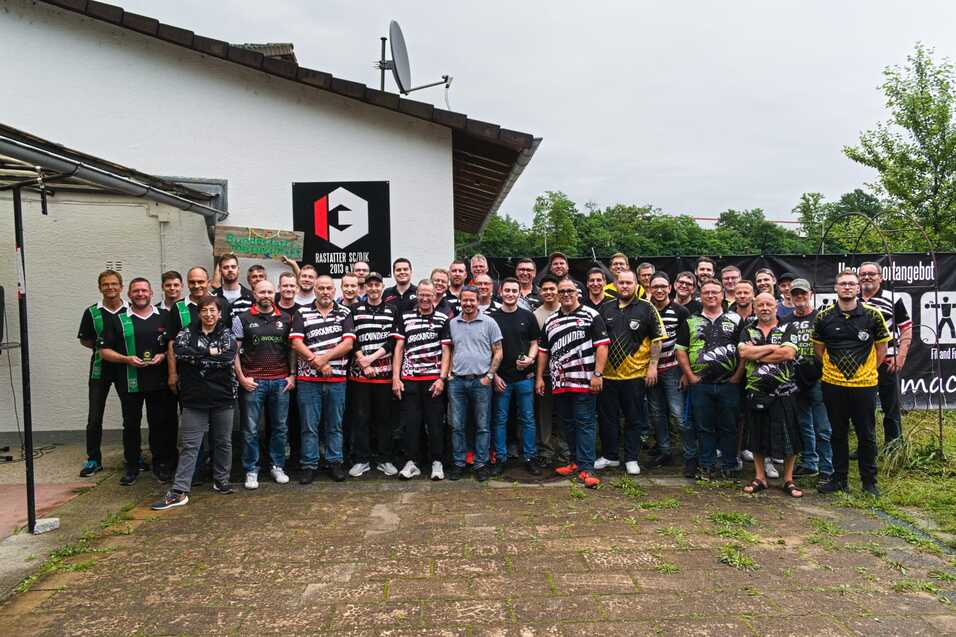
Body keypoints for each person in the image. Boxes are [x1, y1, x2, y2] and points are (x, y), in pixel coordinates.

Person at [151, 295, 238, 510]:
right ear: (198, 313)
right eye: (205, 310)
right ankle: (180, 491)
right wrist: (210, 353)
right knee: (190, 444)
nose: (209, 314)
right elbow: (180, 353)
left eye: (213, 310)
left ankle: (221, 481)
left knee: (223, 442)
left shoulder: (227, 334)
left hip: (223, 395)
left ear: (219, 314)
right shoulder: (186, 332)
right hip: (193, 397)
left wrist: (198, 356)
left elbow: (227, 358)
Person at [813, 270, 890, 497]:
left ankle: (869, 483)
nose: (847, 287)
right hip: (832, 385)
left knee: (866, 434)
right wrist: (833, 371)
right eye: (843, 284)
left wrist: (868, 371)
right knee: (837, 433)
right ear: (835, 288)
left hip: (864, 386)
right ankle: (839, 479)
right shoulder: (823, 317)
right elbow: (819, 350)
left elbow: (882, 347)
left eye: (851, 284)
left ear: (858, 289)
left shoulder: (873, 315)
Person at [99, 277, 176, 485]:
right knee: (131, 424)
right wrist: (126, 359)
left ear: (151, 293)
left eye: (144, 290)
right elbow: (104, 351)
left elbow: (173, 344)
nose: (140, 294)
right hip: (129, 381)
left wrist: (162, 356)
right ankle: (132, 465)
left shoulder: (165, 316)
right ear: (129, 294)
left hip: (159, 382)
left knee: (159, 424)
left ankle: (161, 465)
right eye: (136, 291)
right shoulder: (118, 320)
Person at [536, 278, 610, 488]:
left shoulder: (591, 315)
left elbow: (602, 346)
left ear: (578, 293)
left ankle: (588, 468)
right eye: (562, 291)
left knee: (585, 423)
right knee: (567, 424)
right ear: (557, 295)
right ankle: (575, 462)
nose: (566, 294)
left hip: (585, 382)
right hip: (560, 384)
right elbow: (543, 351)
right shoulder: (551, 321)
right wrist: (540, 377)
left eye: (570, 291)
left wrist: (598, 373)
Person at [596, 270, 665, 476]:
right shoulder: (605, 307)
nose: (624, 286)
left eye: (629, 282)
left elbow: (657, 339)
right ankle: (610, 456)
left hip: (634, 375)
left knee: (634, 419)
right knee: (608, 418)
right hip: (608, 376)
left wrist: (653, 366)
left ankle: (632, 458)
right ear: (615, 285)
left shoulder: (647, 308)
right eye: (621, 282)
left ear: (636, 285)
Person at [675, 279, 745, 479]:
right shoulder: (690, 320)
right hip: (701, 384)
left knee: (729, 426)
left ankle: (729, 465)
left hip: (728, 384)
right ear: (700, 296)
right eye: (706, 292)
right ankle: (706, 465)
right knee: (703, 427)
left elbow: (744, 350)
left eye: (715, 292)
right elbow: (681, 351)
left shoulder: (736, 319)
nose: (711, 296)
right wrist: (690, 376)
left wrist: (737, 377)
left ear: (723, 295)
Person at [290, 275, 355, 484]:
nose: (325, 292)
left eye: (329, 288)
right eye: (321, 288)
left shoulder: (344, 313)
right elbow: (296, 343)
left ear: (334, 291)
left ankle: (334, 462)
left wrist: (323, 360)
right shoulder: (302, 312)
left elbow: (348, 344)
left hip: (336, 380)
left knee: (334, 424)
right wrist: (316, 362)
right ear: (315, 290)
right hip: (308, 381)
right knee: (309, 425)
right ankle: (309, 465)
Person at [738, 293, 803, 497]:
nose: (764, 308)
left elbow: (788, 354)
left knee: (789, 436)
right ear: (754, 308)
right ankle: (760, 477)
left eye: (768, 304)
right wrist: (774, 348)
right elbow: (743, 354)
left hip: (784, 392)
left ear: (776, 306)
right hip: (756, 391)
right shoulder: (747, 329)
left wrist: (757, 352)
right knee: (756, 436)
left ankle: (788, 480)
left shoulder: (788, 327)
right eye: (760, 305)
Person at [233, 280, 294, 490]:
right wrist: (241, 378)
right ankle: (251, 469)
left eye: (269, 291)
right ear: (254, 294)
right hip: (253, 382)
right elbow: (234, 351)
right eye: (262, 292)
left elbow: (292, 349)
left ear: (274, 293)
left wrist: (292, 376)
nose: (266, 295)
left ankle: (277, 465)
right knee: (250, 429)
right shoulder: (242, 319)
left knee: (280, 427)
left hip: (280, 381)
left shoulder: (286, 318)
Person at [392, 280, 452, 479]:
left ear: (435, 295)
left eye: (429, 295)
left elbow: (446, 351)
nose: (425, 298)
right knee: (411, 423)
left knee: (435, 423)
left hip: (433, 380)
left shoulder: (443, 318)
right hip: (409, 379)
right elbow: (399, 348)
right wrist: (396, 378)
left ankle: (437, 462)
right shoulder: (405, 316)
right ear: (416, 295)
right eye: (421, 295)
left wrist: (442, 378)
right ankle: (412, 462)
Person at [347, 272, 400, 477]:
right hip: (360, 375)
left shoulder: (392, 309)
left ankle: (384, 459)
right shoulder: (354, 309)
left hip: (384, 375)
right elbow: (352, 338)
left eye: (377, 285)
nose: (374, 288)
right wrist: (363, 361)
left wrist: (372, 359)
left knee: (384, 419)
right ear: (366, 288)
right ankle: (361, 460)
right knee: (361, 418)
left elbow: (393, 340)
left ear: (382, 287)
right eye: (370, 285)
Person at [447, 285, 503, 481]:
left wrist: (489, 375)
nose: (468, 303)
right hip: (457, 382)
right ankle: (459, 463)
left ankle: (481, 464)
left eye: (472, 300)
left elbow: (498, 351)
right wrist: (448, 374)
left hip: (481, 381)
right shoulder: (453, 323)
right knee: (457, 425)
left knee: (482, 425)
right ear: (460, 301)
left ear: (478, 301)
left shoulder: (489, 322)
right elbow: (450, 350)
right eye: (465, 300)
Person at [77, 270, 128, 477]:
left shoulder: (130, 309)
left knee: (130, 416)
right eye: (106, 285)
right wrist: (104, 351)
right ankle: (93, 459)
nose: (110, 288)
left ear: (121, 287)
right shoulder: (92, 312)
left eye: (114, 284)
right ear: (100, 288)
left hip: (126, 369)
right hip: (100, 370)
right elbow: (86, 340)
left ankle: (133, 456)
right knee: (95, 416)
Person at [782, 278, 833, 481]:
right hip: (795, 379)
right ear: (790, 296)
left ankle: (827, 468)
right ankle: (809, 463)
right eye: (795, 294)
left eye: (803, 293)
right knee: (803, 424)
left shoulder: (821, 317)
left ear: (810, 294)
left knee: (823, 426)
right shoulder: (784, 320)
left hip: (819, 377)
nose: (799, 297)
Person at [489, 278, 540, 476]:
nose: (510, 294)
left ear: (520, 293)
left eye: (514, 291)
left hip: (524, 377)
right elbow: (488, 350)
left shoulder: (528, 316)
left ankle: (530, 457)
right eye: (507, 290)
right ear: (500, 292)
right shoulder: (492, 318)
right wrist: (493, 376)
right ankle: (500, 459)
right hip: (501, 378)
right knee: (500, 420)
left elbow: (535, 342)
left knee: (527, 419)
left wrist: (530, 358)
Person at [859, 261, 912, 447]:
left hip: (888, 360)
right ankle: (866, 446)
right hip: (860, 364)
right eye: (863, 274)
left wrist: (901, 355)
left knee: (891, 406)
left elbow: (906, 329)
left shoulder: (893, 298)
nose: (867, 277)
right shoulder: (852, 300)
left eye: (871, 274)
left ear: (880, 277)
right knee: (863, 408)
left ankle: (894, 446)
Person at [645, 272, 691, 471]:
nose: (659, 290)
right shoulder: (645, 310)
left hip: (673, 369)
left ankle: (691, 454)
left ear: (670, 287)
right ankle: (665, 451)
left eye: (663, 286)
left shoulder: (680, 311)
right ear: (649, 288)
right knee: (656, 414)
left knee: (679, 414)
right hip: (650, 371)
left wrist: (685, 372)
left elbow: (687, 343)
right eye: (655, 287)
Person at [165, 267, 231, 397]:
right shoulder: (178, 307)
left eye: (200, 281)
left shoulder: (222, 304)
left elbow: (230, 339)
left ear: (208, 281)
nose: (196, 286)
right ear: (187, 283)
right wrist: (172, 373)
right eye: (192, 282)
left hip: (219, 375)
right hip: (189, 375)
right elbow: (172, 342)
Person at [532, 275, 566, 464]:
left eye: (552, 289)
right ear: (540, 292)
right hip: (544, 372)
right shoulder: (536, 315)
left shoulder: (567, 310)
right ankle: (546, 451)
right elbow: (537, 346)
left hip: (566, 374)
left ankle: (564, 451)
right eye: (545, 289)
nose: (549, 292)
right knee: (543, 414)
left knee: (564, 413)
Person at [213, 253, 254, 318]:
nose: (230, 270)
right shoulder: (213, 297)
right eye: (226, 267)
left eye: (233, 267)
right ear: (220, 271)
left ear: (238, 269)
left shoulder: (251, 296)